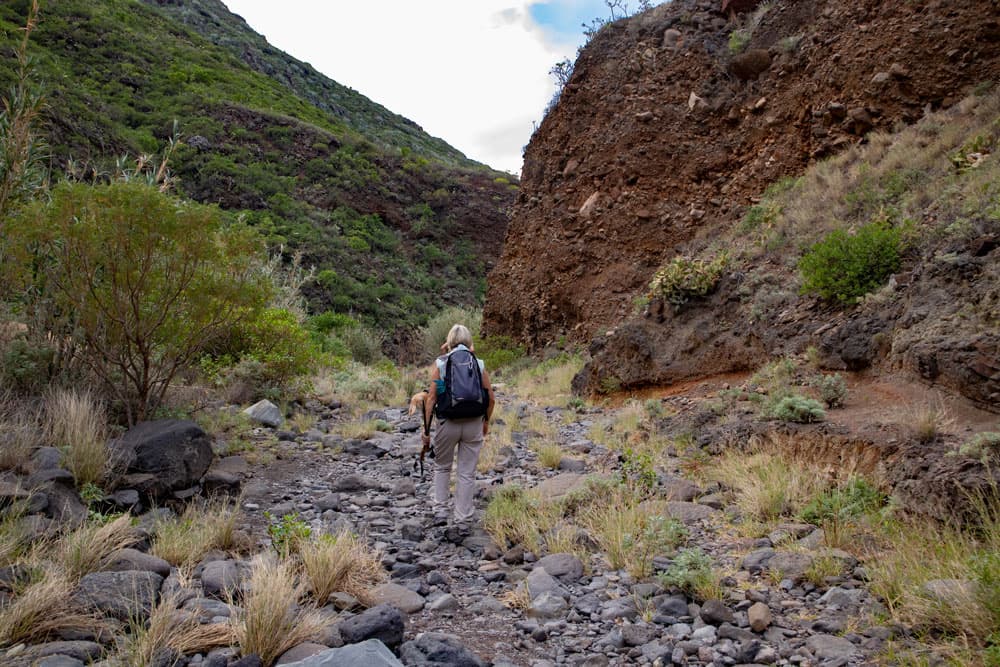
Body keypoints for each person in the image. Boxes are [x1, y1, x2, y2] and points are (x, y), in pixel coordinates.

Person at [421, 324, 495, 525]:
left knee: (442, 467)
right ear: (470, 342)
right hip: (473, 423)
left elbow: (431, 399)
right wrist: (485, 422)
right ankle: (463, 517)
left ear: (448, 342)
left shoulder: (442, 364)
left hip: (448, 423)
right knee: (466, 472)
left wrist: (426, 430)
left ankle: (441, 512)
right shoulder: (478, 364)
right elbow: (491, 397)